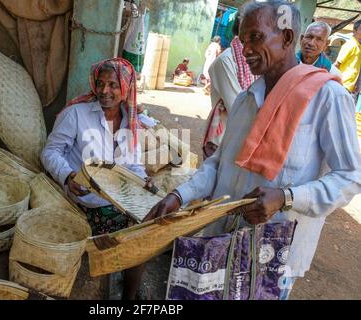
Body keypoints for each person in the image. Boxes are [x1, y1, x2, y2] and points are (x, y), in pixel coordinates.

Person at [145, 0, 361, 300]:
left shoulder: (327, 98)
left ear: (286, 37)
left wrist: (286, 198)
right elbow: (221, 163)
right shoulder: (248, 98)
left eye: (256, 38)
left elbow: (350, 177)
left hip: (273, 257)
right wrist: (180, 195)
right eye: (243, 40)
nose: (245, 49)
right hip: (223, 243)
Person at [41, 58, 150, 300]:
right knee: (139, 235)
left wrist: (146, 184)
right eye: (100, 83)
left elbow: (134, 165)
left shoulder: (131, 122)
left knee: (154, 221)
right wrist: (67, 177)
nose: (104, 91)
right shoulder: (76, 114)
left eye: (113, 85)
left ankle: (128, 290)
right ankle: (129, 295)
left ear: (126, 88)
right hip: (88, 201)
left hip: (119, 199)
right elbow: (49, 152)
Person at [202, 13, 257, 159]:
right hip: (221, 140)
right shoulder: (226, 61)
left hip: (238, 140)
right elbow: (237, 107)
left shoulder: (251, 60)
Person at [335, 20, 361, 98]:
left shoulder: (358, 46)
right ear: (354, 31)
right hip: (343, 85)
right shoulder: (351, 45)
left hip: (350, 87)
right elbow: (337, 64)